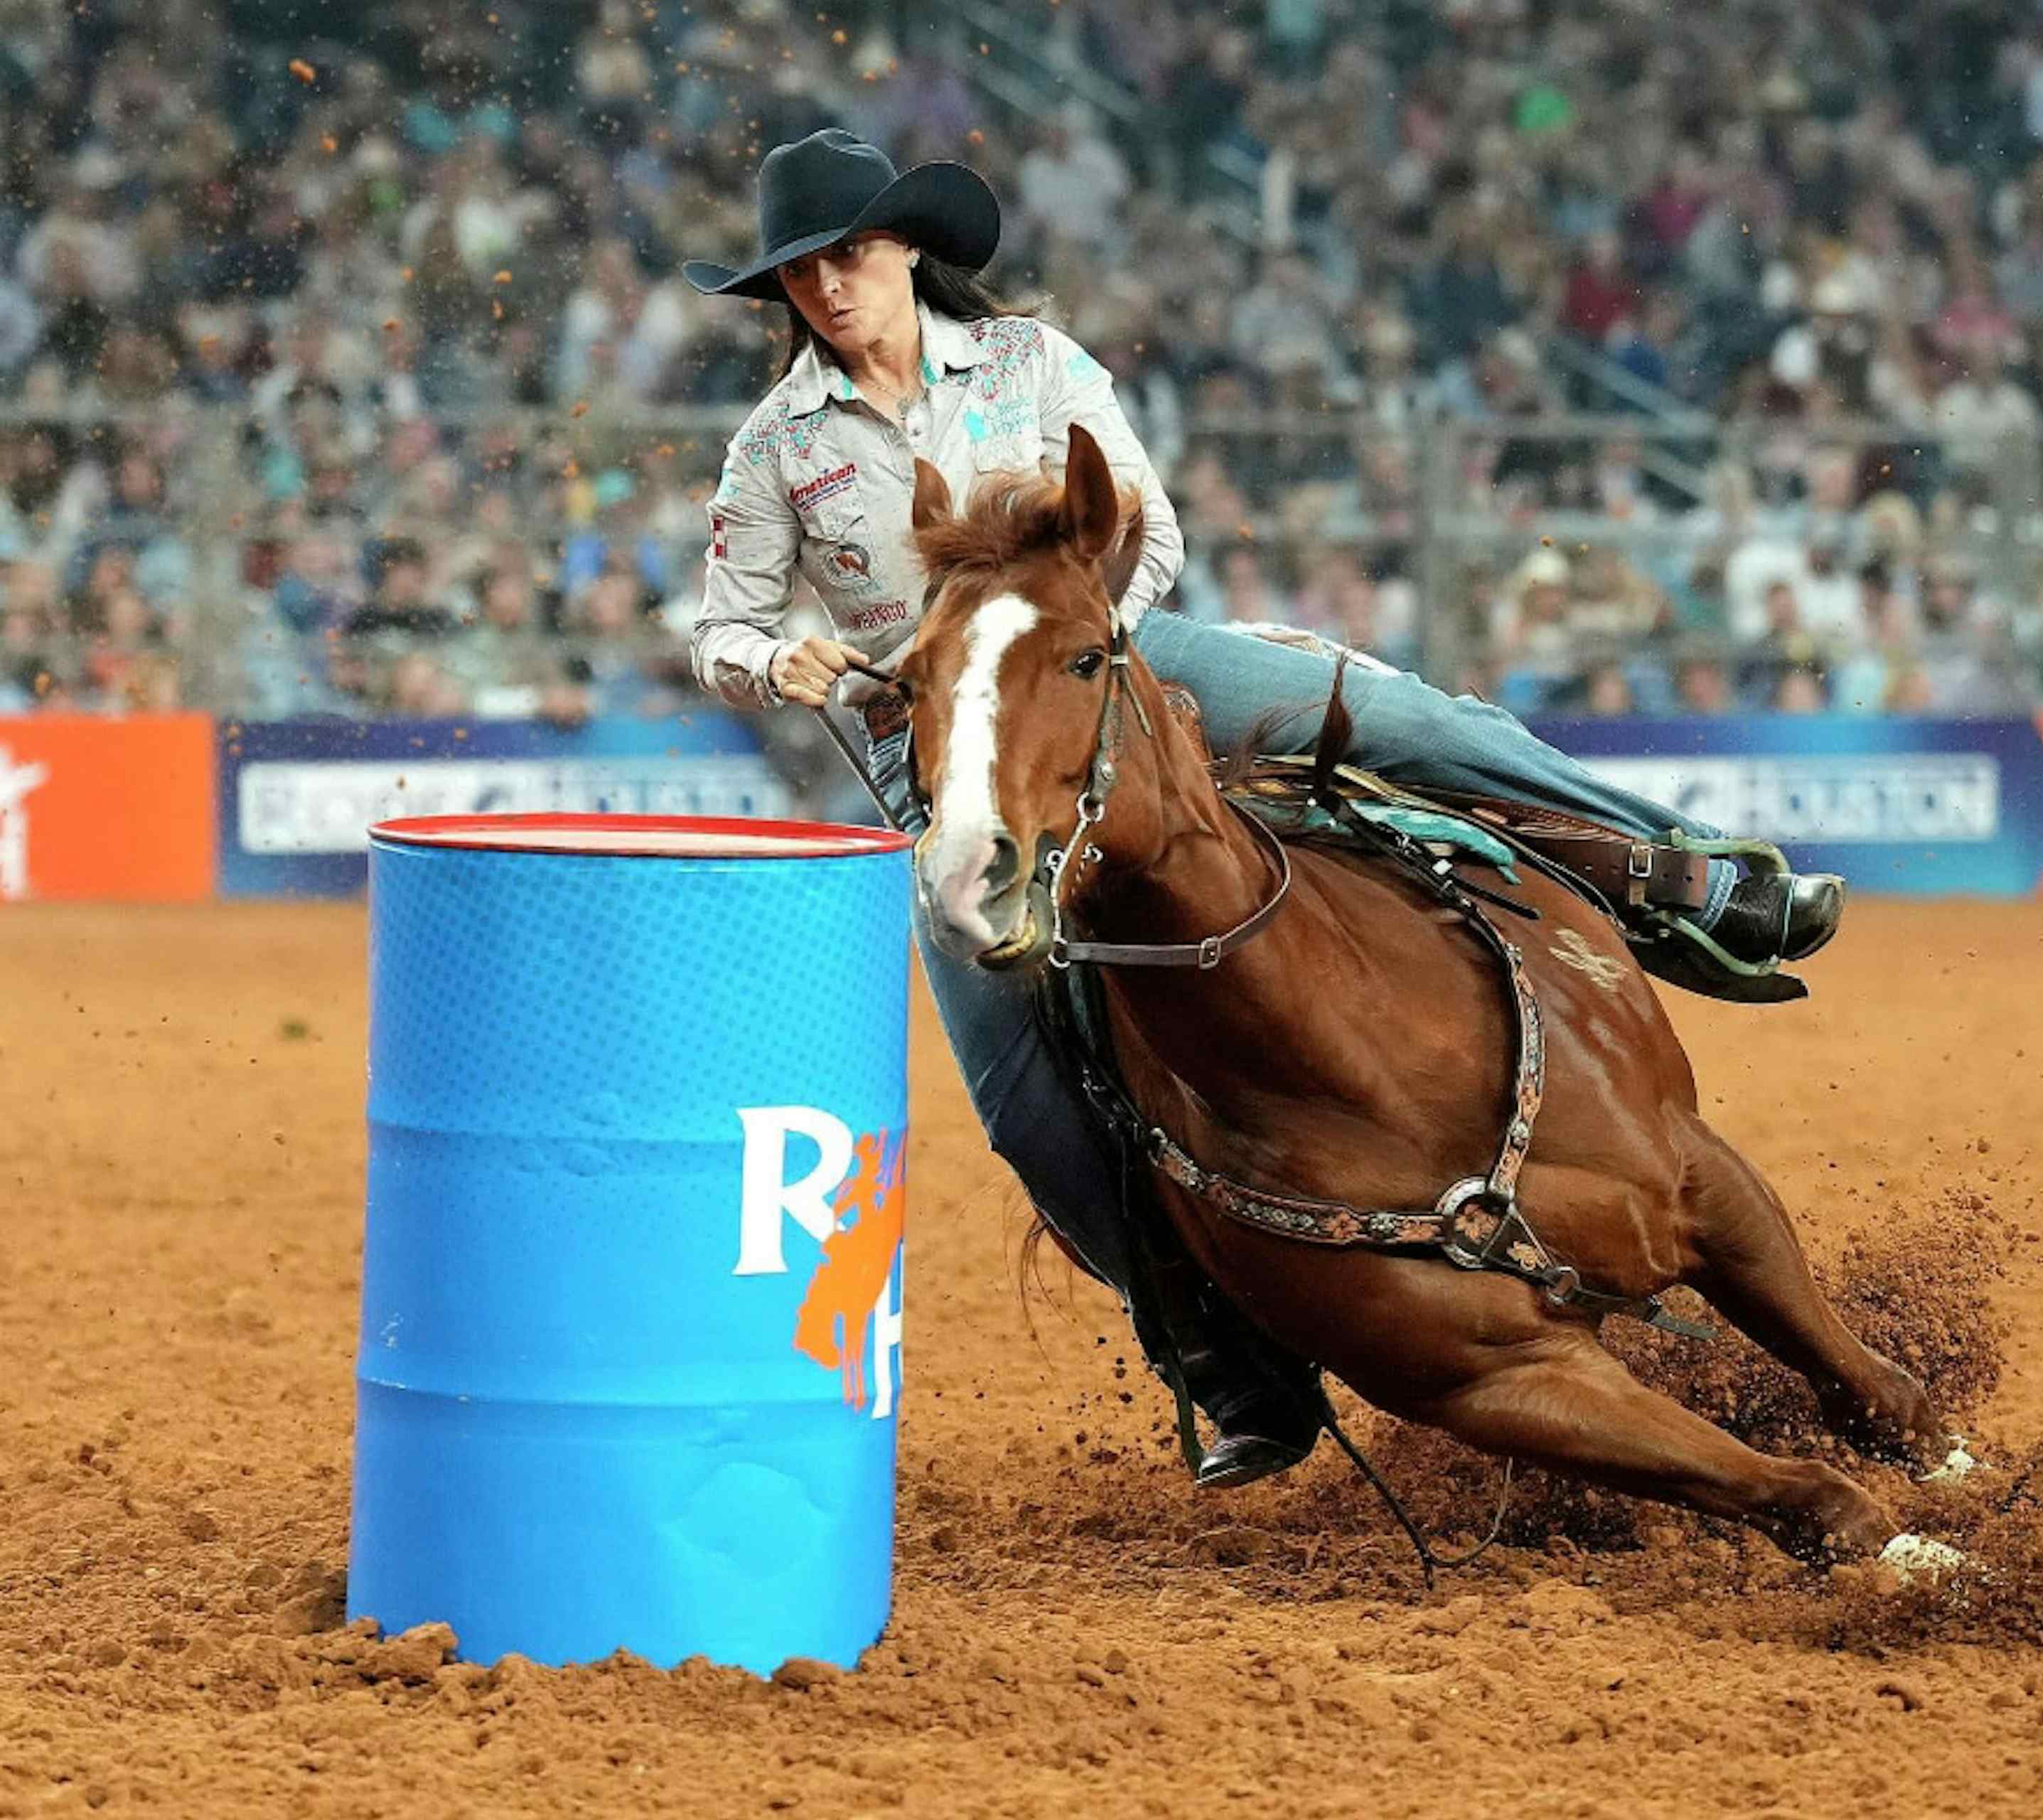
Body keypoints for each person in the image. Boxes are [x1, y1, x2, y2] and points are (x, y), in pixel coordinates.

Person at [682, 132, 1845, 1492]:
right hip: (932, 757)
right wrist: (779, 660)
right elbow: (724, 629)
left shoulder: (1032, 366)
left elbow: (1152, 534)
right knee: (1021, 1100)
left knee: (1408, 723)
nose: (829, 288)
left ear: (904, 252)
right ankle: (1232, 1367)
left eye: (851, 255)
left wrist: (1081, 656)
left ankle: (1678, 873)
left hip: (1116, 667)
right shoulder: (776, 449)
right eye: (802, 273)